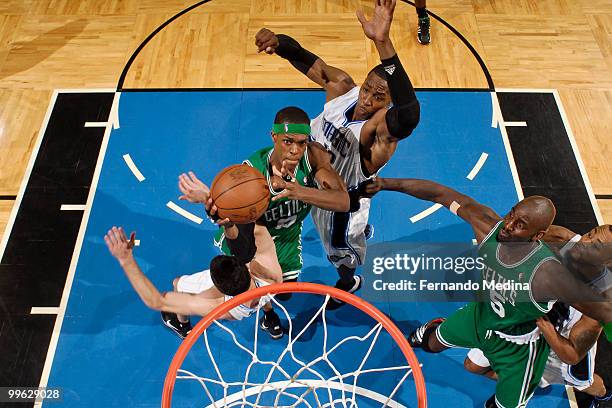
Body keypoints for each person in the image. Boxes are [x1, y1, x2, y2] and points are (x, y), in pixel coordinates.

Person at [361, 177, 612, 408]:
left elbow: (599, 318)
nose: (507, 225)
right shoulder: (491, 227)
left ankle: (588, 391)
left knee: (519, 399)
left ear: (536, 235)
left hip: (520, 343)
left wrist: (550, 331)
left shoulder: (553, 278)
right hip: (481, 315)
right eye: (511, 214)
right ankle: (436, 330)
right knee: (432, 344)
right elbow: (440, 193)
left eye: (519, 225)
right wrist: (385, 183)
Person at [255, 0, 420, 308]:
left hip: (339, 201)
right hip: (305, 172)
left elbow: (409, 114)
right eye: (367, 89)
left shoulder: (378, 135)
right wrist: (279, 43)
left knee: (340, 253)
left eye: (378, 97)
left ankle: (349, 282)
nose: (366, 99)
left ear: (388, 105)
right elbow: (305, 58)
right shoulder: (343, 87)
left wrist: (383, 43)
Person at [104, 173, 283, 339]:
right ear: (244, 267)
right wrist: (210, 200)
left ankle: (182, 326)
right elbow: (251, 223)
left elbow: (156, 301)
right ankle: (269, 314)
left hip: (240, 306)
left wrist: (125, 259)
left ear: (220, 289)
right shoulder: (273, 276)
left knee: (178, 284)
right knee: (263, 297)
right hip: (266, 291)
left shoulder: (218, 305)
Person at [211, 106, 349, 309]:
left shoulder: (313, 157)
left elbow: (343, 202)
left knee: (284, 295)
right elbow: (244, 235)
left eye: (301, 143)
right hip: (257, 238)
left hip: (288, 238)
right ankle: (267, 314)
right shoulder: (251, 172)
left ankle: (267, 304)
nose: (295, 150)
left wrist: (297, 191)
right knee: (250, 295)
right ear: (273, 136)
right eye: (288, 141)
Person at [464, 303, 610, 406]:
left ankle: (603, 395)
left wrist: (545, 327)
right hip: (517, 326)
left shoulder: (597, 301)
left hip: (561, 341)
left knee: (582, 382)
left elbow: (571, 355)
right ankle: (524, 383)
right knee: (473, 366)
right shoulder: (542, 263)